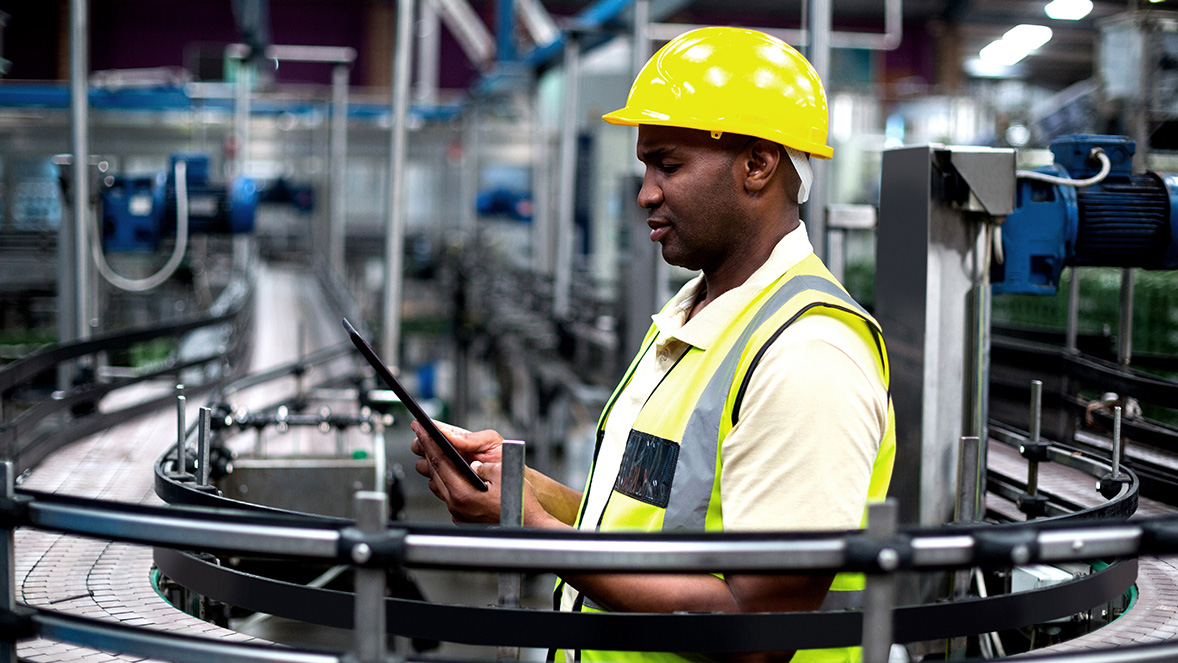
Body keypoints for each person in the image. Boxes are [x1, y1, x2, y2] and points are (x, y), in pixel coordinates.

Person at [411, 26, 896, 663]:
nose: (645, 192)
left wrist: (530, 531)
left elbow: (757, 628)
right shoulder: (697, 318)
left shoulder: (807, 355)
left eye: (669, 164)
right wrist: (519, 491)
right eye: (646, 166)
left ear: (757, 164)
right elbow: (647, 523)